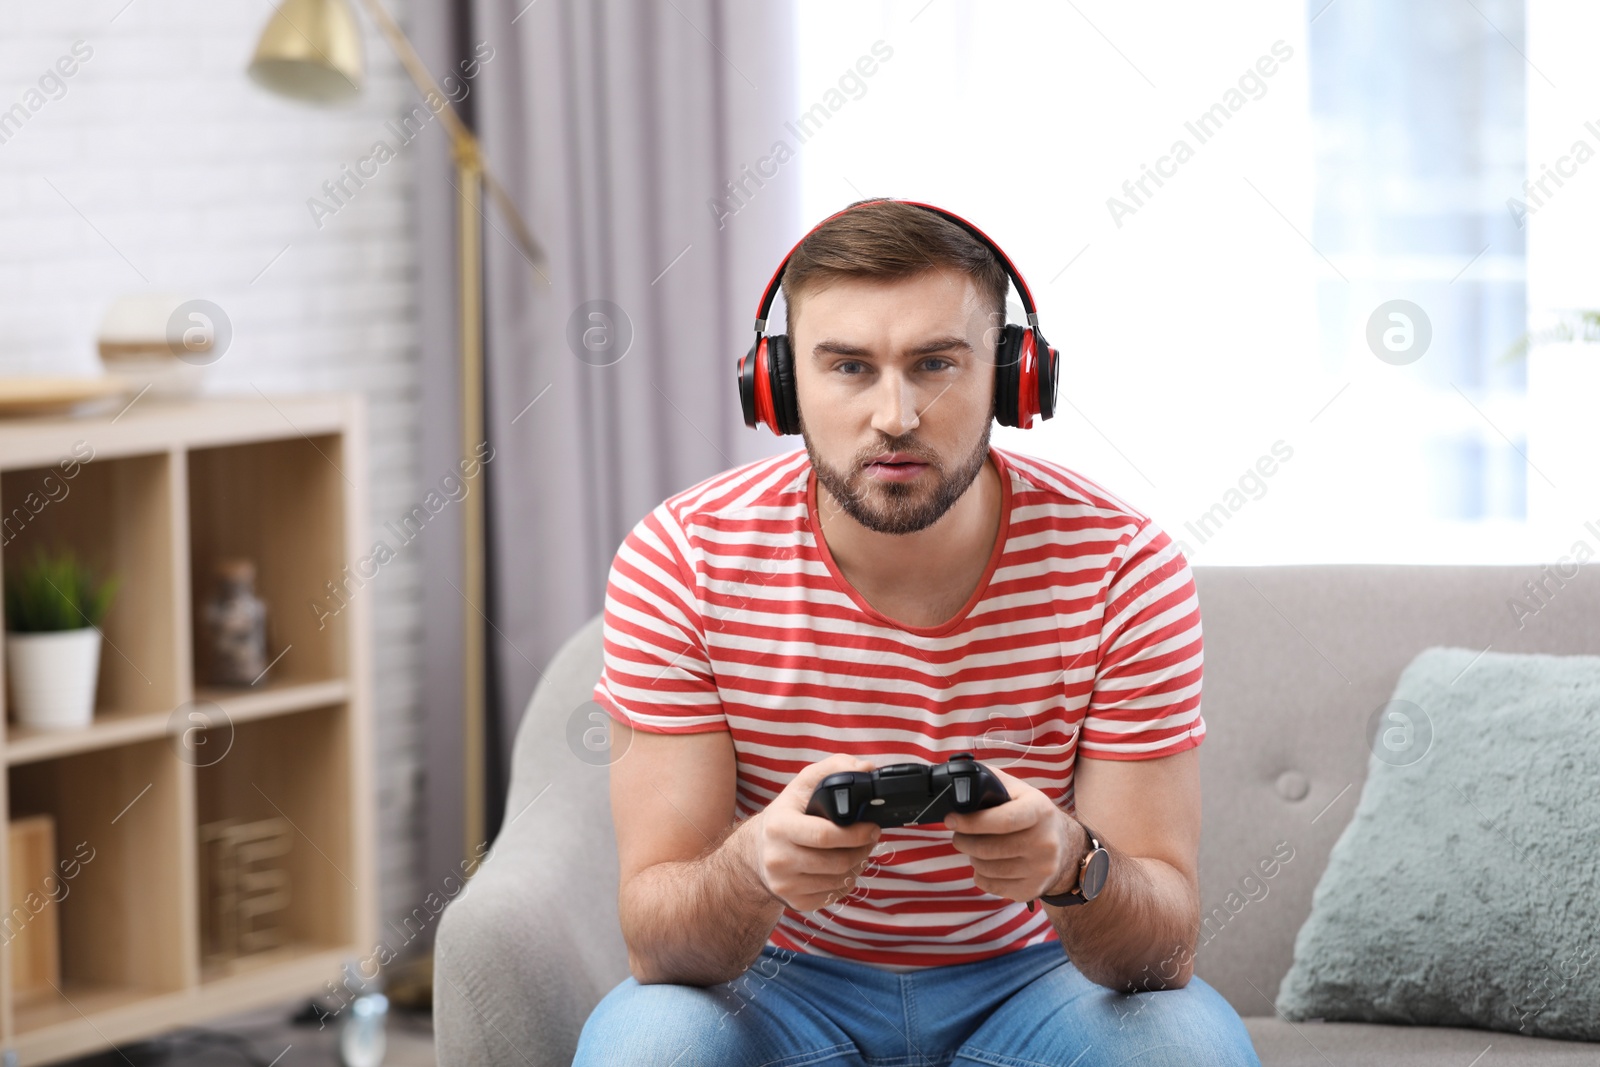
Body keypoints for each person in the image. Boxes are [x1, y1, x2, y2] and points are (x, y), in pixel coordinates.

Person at [574, 198, 1262, 1066]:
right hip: (778, 980)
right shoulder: (682, 559)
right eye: (849, 367)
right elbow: (658, 944)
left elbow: (1161, 955)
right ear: (779, 387)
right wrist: (750, 868)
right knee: (650, 1048)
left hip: (1039, 983)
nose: (895, 415)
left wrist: (1068, 860)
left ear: (1014, 378)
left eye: (935, 363)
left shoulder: (1123, 566)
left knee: (1184, 1051)